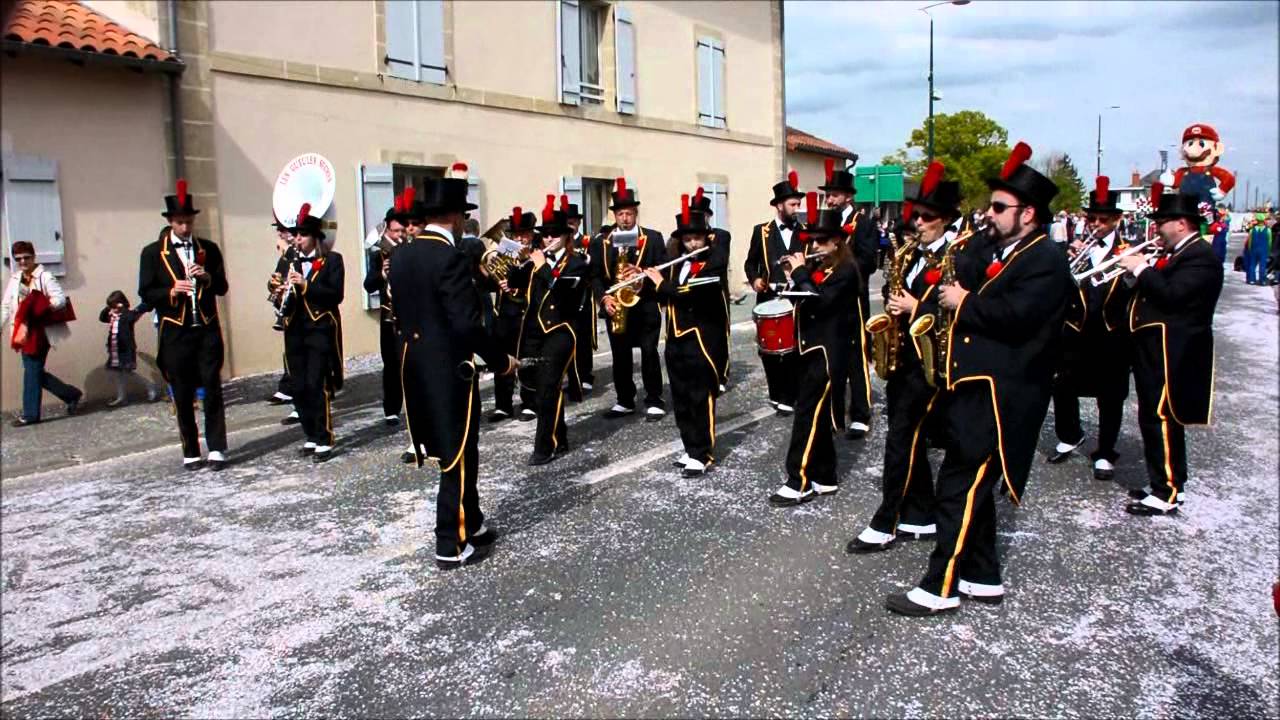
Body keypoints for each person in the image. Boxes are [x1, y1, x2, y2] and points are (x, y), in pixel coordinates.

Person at [886, 142, 1071, 615]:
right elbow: (957, 277)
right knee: (974, 491)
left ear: (1028, 213)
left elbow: (1016, 316)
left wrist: (965, 301)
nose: (988, 213)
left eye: (998, 207)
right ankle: (982, 576)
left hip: (1003, 398)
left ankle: (939, 585)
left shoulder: (1045, 258)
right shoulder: (999, 247)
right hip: (973, 390)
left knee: (957, 486)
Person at [387, 175, 517, 570]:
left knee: (463, 447)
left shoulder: (404, 254)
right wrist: (500, 360)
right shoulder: (450, 258)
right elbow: (465, 323)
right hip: (448, 370)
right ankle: (450, 542)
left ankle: (471, 521)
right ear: (457, 218)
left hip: (414, 365)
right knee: (455, 455)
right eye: (463, 216)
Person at [847, 161, 970, 552]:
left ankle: (886, 521)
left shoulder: (961, 255)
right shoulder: (908, 253)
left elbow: (961, 311)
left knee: (901, 438)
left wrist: (916, 307)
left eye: (927, 217)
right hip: (906, 357)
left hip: (934, 361)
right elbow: (893, 290)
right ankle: (921, 513)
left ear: (947, 219)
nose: (918, 222)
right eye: (916, 215)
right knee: (909, 438)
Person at [1117, 186, 1223, 516]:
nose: (1157, 228)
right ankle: (1164, 480)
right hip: (1156, 350)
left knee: (1161, 416)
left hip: (1174, 352)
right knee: (1153, 416)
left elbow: (1172, 296)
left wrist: (1141, 269)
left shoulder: (1200, 258)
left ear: (1181, 223)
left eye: (1162, 222)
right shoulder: (1179, 254)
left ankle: (1167, 492)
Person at [767, 193, 860, 507]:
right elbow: (803, 297)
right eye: (812, 241)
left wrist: (799, 272)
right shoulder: (820, 268)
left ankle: (799, 480)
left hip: (828, 353)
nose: (814, 246)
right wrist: (789, 279)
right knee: (817, 417)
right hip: (808, 348)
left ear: (836, 242)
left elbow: (820, 299)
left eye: (821, 242)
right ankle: (826, 476)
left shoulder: (846, 271)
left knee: (806, 415)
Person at [138, 180, 230, 470]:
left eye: (189, 222)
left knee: (212, 388)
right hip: (175, 331)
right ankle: (191, 449)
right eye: (180, 223)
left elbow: (223, 287)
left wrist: (206, 278)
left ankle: (217, 448)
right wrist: (171, 291)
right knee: (182, 391)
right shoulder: (152, 253)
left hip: (205, 328)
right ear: (170, 222)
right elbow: (146, 293)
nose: (185, 228)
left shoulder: (209, 249)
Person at [1047, 176, 1134, 481]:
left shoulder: (1128, 250)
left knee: (1110, 397)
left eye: (1103, 219)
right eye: (1092, 218)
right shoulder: (1074, 248)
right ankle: (1070, 435)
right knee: (1062, 387)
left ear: (1116, 220)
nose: (1096, 224)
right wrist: (1066, 260)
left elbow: (1134, 290)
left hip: (1111, 334)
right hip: (1075, 330)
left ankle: (1106, 453)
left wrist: (1130, 271)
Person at [646, 195, 729, 478]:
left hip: (702, 340)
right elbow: (661, 293)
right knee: (680, 397)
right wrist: (642, 280)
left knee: (700, 396)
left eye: (696, 238)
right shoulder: (675, 263)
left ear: (707, 237)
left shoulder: (715, 260)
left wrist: (661, 284)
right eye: (687, 240)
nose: (692, 244)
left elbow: (692, 295)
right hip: (676, 339)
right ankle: (690, 446)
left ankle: (702, 452)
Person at [507, 195, 590, 465]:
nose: (549, 239)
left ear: (567, 237)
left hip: (562, 330)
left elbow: (564, 296)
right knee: (536, 385)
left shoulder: (577, 263)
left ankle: (544, 447)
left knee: (547, 387)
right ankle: (561, 436)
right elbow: (514, 282)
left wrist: (542, 267)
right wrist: (517, 259)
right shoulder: (536, 262)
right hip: (533, 332)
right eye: (545, 235)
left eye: (555, 235)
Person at [592, 178, 668, 421]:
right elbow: (594, 276)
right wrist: (603, 300)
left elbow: (664, 271)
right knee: (620, 355)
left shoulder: (653, 238)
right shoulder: (600, 242)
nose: (625, 218)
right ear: (614, 215)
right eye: (620, 214)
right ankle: (624, 400)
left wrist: (642, 274)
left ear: (636, 214)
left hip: (645, 305)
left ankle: (654, 399)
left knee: (648, 352)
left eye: (629, 213)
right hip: (616, 306)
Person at [273, 206, 344, 462]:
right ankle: (311, 435)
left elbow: (335, 295)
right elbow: (274, 286)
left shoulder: (332, 260)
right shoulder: (287, 259)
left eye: (302, 235)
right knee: (299, 385)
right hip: (293, 328)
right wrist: (279, 290)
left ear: (314, 236)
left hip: (320, 328)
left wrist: (306, 285)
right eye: (296, 234)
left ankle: (324, 438)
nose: (297, 239)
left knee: (317, 383)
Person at [819, 158, 876, 439]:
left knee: (856, 355)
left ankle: (861, 413)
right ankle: (834, 409)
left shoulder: (862, 222)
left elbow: (869, 260)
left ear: (848, 196)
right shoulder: (825, 222)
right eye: (827, 195)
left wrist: (842, 265)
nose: (829, 199)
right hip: (830, 298)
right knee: (833, 354)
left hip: (853, 297)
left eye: (834, 195)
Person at [743, 172, 805, 415]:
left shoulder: (805, 231)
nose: (796, 208)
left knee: (792, 349)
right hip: (769, 298)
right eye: (792, 204)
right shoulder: (762, 231)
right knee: (769, 350)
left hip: (797, 298)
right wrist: (755, 279)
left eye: (798, 204)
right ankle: (777, 393)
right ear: (779, 205)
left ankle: (790, 396)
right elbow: (750, 263)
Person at [2, 240, 83, 426]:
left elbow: (60, 300)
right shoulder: (15, 279)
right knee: (35, 371)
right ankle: (71, 394)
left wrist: (41, 307)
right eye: (18, 259)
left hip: (40, 332)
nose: (22, 262)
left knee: (31, 371)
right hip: (22, 331)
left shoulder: (44, 277)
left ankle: (31, 415)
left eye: (26, 258)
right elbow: (6, 306)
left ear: (33, 257)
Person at [487, 207, 539, 423]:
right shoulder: (505, 252)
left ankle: (530, 402)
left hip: (526, 312)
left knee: (527, 357)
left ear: (532, 235)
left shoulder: (537, 256)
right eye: (516, 235)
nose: (520, 239)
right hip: (505, 313)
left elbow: (538, 282)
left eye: (524, 235)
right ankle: (503, 405)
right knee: (502, 357)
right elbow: (490, 281)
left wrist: (517, 284)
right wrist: (495, 280)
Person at [362, 189, 410, 428]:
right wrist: (382, 274)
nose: (399, 235)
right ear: (387, 231)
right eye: (395, 231)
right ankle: (391, 409)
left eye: (403, 231)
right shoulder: (379, 254)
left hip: (411, 316)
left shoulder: (412, 251)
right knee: (390, 364)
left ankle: (415, 406)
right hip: (389, 316)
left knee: (411, 363)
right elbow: (368, 284)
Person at [688, 186, 732, 390]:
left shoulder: (720, 235)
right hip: (692, 291)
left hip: (716, 290)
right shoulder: (685, 237)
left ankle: (721, 374)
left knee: (719, 333)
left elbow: (720, 260)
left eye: (701, 215)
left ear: (708, 216)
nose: (698, 218)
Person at [99, 290, 159, 406]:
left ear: (121, 304)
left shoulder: (127, 315)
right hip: (115, 349)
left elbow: (137, 312)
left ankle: (150, 386)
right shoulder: (112, 316)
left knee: (126, 371)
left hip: (125, 349)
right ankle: (121, 396)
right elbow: (102, 318)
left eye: (115, 307)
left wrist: (124, 308)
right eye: (111, 307)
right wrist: (108, 308)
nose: (113, 309)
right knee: (117, 372)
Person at [563, 202, 596, 396]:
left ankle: (585, 375)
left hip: (583, 294)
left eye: (573, 222)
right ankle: (571, 375)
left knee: (583, 336)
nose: (571, 225)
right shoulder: (561, 241)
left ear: (578, 223)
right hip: (566, 295)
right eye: (567, 222)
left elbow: (595, 266)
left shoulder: (587, 241)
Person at [267, 219, 297, 407]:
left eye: (283, 231)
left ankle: (299, 397)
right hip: (288, 311)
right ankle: (288, 387)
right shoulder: (285, 257)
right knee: (290, 352)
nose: (280, 234)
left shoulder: (296, 253)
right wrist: (274, 287)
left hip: (305, 311)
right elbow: (276, 278)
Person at [1245, 212, 1271, 285]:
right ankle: (1262, 280)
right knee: (1262, 265)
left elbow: (1249, 241)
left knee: (1252, 264)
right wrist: (1268, 251)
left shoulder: (1252, 230)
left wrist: (1250, 249)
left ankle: (1252, 280)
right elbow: (1269, 242)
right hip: (1263, 250)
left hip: (1254, 249)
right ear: (1263, 220)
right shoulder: (1268, 230)